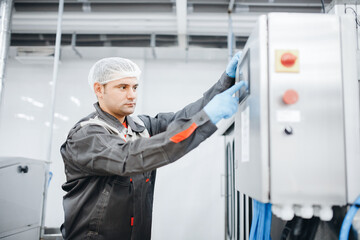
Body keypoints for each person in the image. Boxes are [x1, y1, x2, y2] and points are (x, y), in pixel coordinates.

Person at [60, 53, 245, 240]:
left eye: (134, 87)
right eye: (122, 87)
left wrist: (225, 83)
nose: (132, 95)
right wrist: (206, 118)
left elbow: (182, 119)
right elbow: (130, 157)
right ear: (99, 89)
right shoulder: (87, 136)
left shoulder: (139, 127)